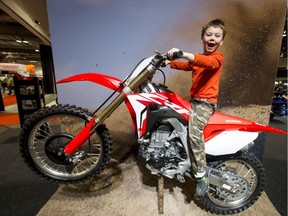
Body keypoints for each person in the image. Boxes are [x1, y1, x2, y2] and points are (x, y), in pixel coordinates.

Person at [165, 19, 227, 196]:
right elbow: (187, 65)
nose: (212, 38)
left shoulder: (217, 58)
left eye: (217, 35)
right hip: (195, 101)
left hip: (205, 104)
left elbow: (205, 63)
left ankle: (201, 174)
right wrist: (167, 62)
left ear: (221, 41)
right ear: (202, 39)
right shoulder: (199, 60)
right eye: (208, 35)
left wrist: (182, 53)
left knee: (194, 133)